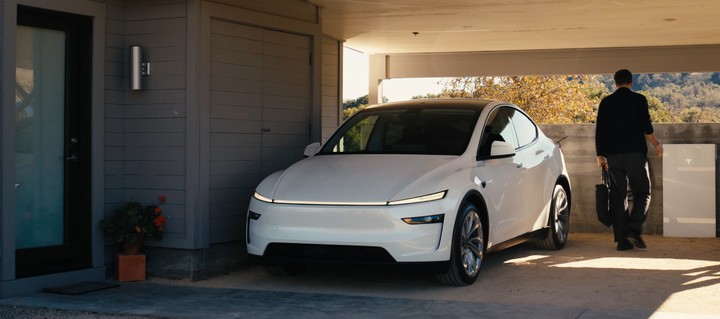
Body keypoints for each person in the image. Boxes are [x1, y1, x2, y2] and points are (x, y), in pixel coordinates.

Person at [595, 69, 663, 251]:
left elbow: (600, 130)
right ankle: (633, 228)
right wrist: (656, 144)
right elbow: (646, 127)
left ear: (615, 83)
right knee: (643, 193)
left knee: (618, 197)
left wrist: (600, 155)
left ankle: (622, 242)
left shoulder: (606, 102)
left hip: (614, 158)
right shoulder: (639, 100)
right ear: (630, 82)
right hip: (635, 156)